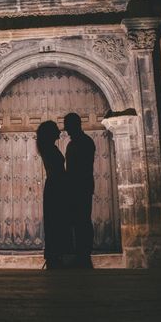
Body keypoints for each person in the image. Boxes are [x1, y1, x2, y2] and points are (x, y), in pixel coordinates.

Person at [64, 112, 96, 269]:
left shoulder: (85, 142)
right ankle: (79, 254)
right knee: (76, 222)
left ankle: (84, 253)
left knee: (83, 220)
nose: (66, 129)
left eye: (68, 126)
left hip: (81, 188)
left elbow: (83, 167)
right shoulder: (73, 143)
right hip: (73, 189)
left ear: (75, 125)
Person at [36, 121, 69, 270]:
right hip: (56, 186)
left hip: (55, 186)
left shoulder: (47, 147)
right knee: (56, 221)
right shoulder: (49, 148)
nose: (59, 131)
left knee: (56, 221)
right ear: (50, 133)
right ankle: (55, 257)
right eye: (56, 129)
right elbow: (57, 170)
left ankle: (55, 256)